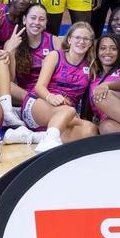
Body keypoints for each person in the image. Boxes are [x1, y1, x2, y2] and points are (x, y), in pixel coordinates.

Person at [16, 22, 100, 152]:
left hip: (65, 114)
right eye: (77, 37)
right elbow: (39, 87)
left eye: (86, 39)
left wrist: (82, 116)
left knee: (91, 130)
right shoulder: (55, 55)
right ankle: (48, 144)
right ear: (70, 39)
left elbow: (86, 100)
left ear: (90, 43)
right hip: (39, 103)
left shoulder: (91, 66)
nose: (81, 42)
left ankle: (35, 137)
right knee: (68, 111)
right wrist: (50, 97)